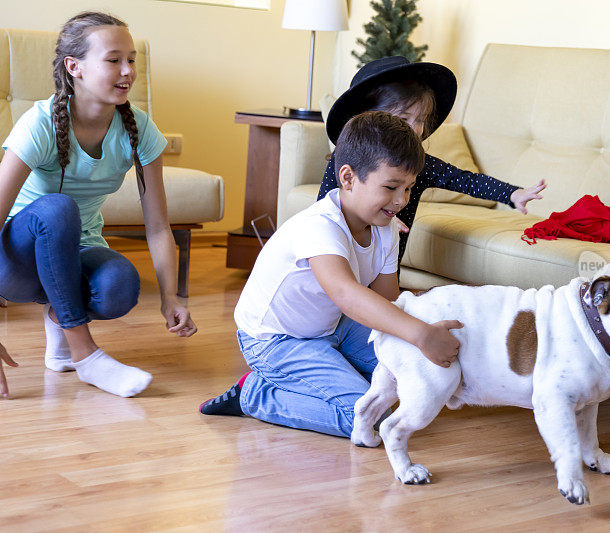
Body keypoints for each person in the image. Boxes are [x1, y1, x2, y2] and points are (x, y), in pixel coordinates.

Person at [199, 111, 463, 438]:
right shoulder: (320, 226)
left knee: (403, 379)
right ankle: (255, 394)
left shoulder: (387, 228)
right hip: (275, 340)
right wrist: (422, 335)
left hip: (333, 326)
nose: (400, 201)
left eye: (408, 189)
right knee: (370, 421)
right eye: (391, 187)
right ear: (348, 178)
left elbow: (386, 301)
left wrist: (418, 336)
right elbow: (348, 295)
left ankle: (325, 375)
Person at [0, 11, 197, 399]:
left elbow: (158, 227)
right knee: (58, 208)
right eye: (113, 60)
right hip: (13, 258)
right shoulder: (38, 124)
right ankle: (85, 354)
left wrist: (171, 298)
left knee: (120, 286)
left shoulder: (139, 130)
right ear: (74, 67)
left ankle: (60, 325)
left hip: (75, 250)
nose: (127, 71)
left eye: (132, 59)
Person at [318, 56, 547, 260]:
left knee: (387, 297)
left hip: (387, 262)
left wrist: (511, 193)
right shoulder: (347, 156)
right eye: (405, 118)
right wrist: (377, 217)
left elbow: (464, 179)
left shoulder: (417, 164)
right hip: (344, 259)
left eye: (421, 120)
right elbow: (326, 206)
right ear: (370, 115)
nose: (415, 129)